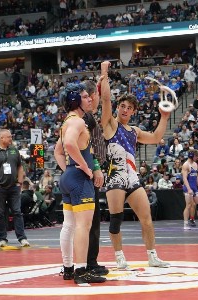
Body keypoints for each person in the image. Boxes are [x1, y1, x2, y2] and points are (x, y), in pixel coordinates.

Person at [101, 64, 170, 269]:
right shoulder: (110, 124)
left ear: (133, 112)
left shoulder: (135, 131)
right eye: (122, 106)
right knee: (116, 220)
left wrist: (164, 117)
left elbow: (157, 137)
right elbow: (105, 99)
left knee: (146, 218)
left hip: (131, 177)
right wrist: (104, 72)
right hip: (114, 176)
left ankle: (152, 255)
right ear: (118, 107)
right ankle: (119, 256)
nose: (125, 110)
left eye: (129, 108)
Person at [54, 82, 106, 284]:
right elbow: (68, 144)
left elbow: (58, 151)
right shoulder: (77, 122)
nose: (90, 99)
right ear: (76, 101)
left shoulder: (67, 121)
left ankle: (68, 268)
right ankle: (81, 271)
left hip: (68, 177)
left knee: (69, 225)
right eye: (85, 97)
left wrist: (68, 169)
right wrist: (85, 167)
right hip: (79, 179)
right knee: (83, 227)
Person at [84, 73, 110, 276]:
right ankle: (88, 263)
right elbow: (87, 146)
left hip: (87, 173)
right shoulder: (86, 118)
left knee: (87, 222)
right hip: (89, 174)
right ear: (91, 96)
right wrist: (95, 167)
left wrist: (102, 81)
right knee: (90, 222)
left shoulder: (84, 117)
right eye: (96, 96)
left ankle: (78, 263)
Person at [0, 129, 30, 248]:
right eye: (9, 137)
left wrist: (20, 182)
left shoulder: (14, 150)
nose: (11, 139)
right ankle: (2, 238)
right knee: (0, 213)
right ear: (1, 138)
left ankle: (22, 238)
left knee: (17, 212)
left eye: (11, 137)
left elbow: (20, 166)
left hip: (14, 188)